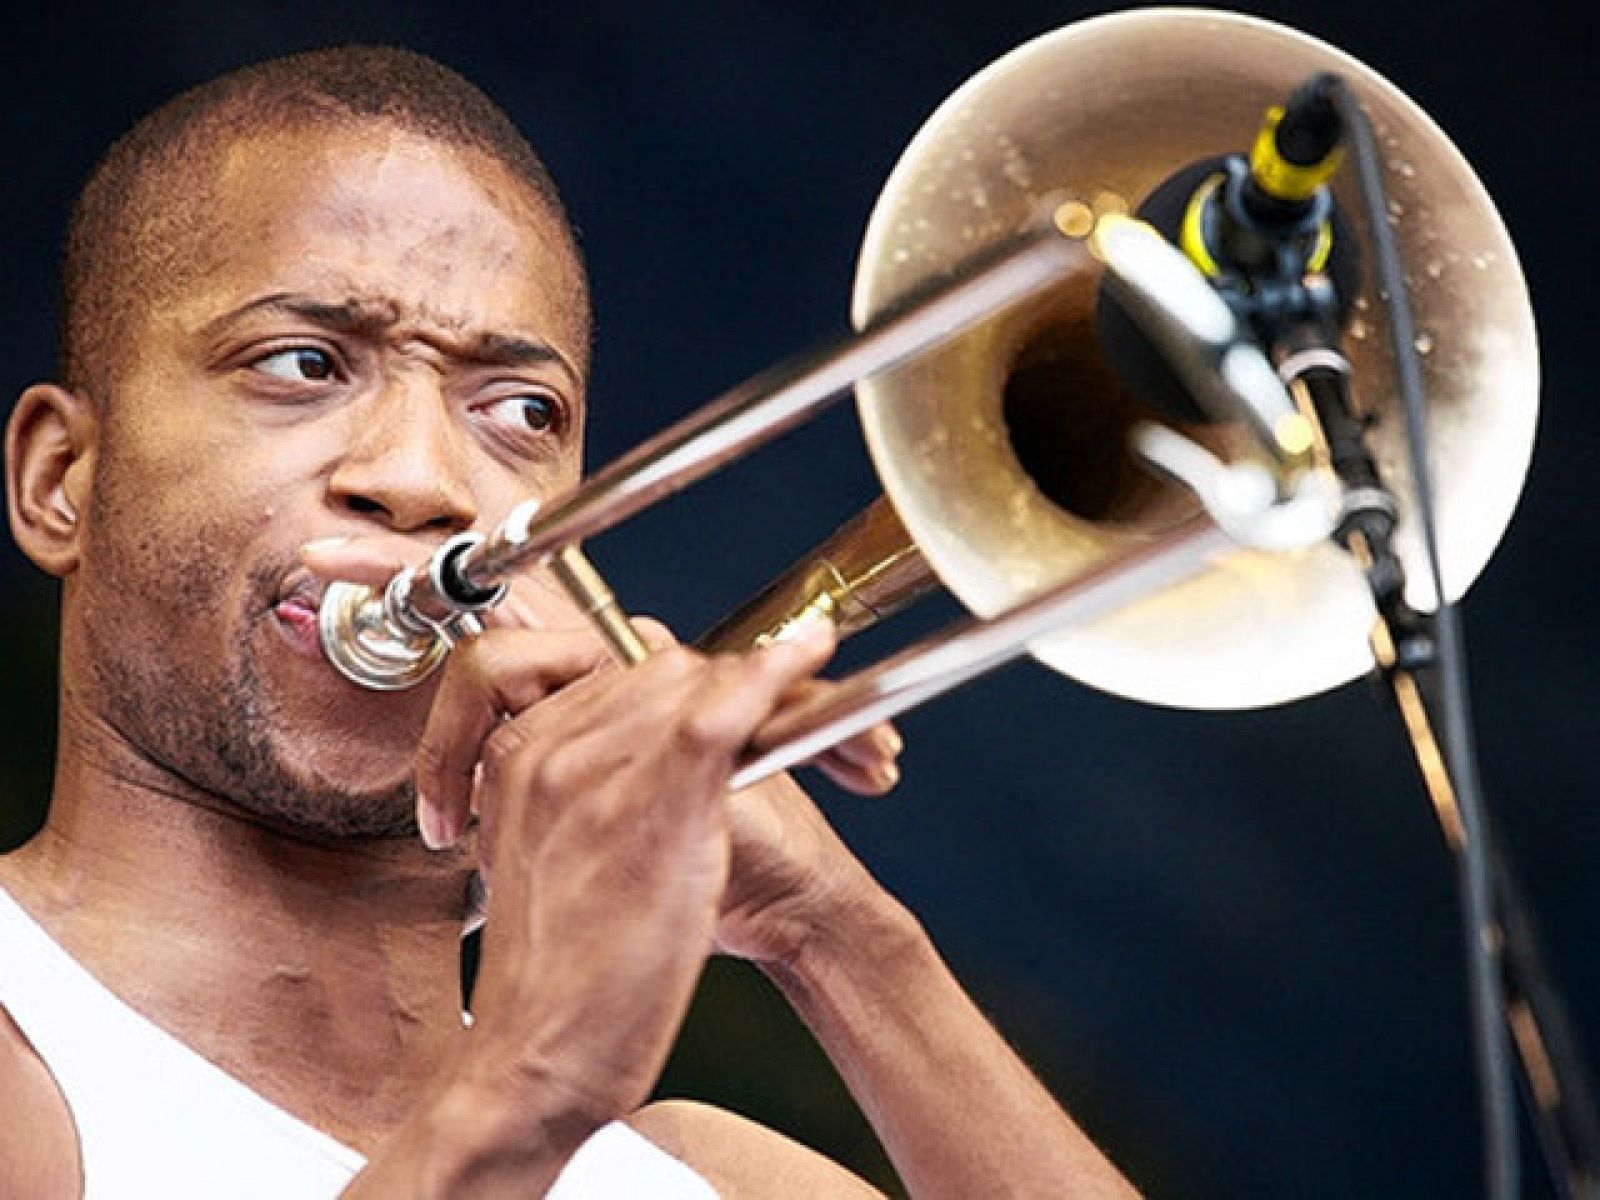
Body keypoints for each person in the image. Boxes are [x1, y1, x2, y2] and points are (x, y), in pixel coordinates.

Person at [0, 44, 1138, 1198]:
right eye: (303, 363)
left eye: (518, 410)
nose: (422, 478)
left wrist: (841, 938)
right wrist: (525, 1087)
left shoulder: (712, 1177)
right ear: (60, 480)